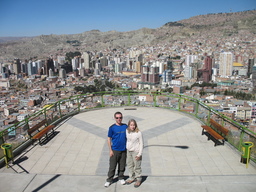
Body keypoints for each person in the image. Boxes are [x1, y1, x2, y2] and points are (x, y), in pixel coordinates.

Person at [104, 111, 127, 187]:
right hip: (115, 150)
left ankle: (121, 177)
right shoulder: (112, 128)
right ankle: (109, 179)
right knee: (112, 166)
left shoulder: (125, 126)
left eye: (120, 117)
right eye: (117, 118)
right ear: (114, 118)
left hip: (123, 150)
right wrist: (110, 150)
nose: (119, 119)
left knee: (122, 165)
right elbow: (109, 139)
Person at [125, 119, 143, 188]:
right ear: (129, 125)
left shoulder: (138, 133)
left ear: (135, 125)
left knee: (137, 166)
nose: (132, 126)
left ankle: (138, 179)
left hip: (136, 151)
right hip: (129, 151)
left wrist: (139, 154)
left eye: (133, 125)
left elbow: (141, 143)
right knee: (130, 165)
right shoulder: (127, 131)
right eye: (131, 125)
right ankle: (132, 177)